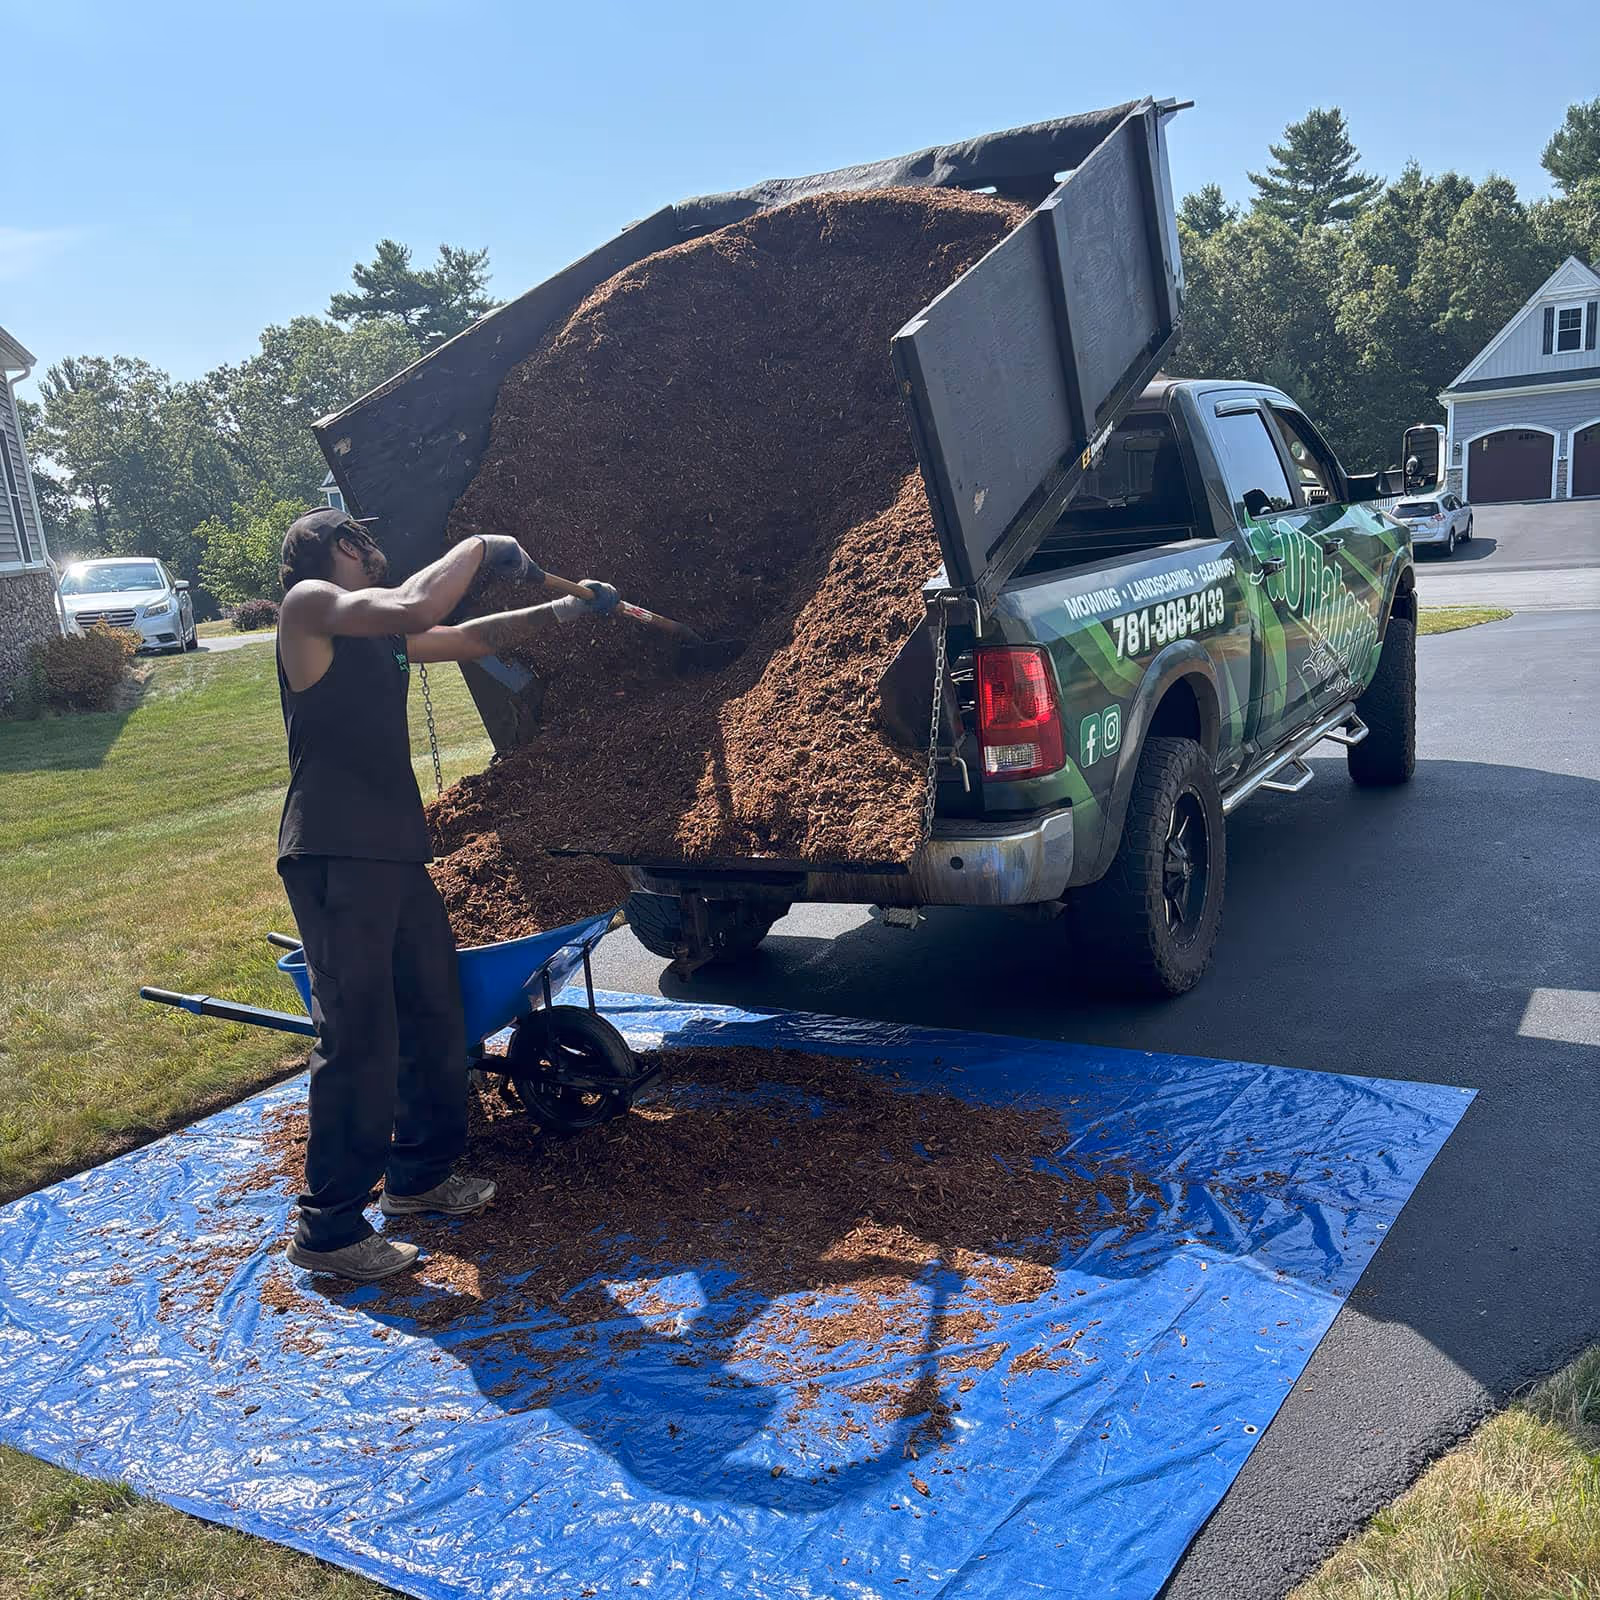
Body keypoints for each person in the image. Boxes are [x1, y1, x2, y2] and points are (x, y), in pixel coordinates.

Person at [274, 508, 618, 1281]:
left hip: (395, 853)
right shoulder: (310, 607)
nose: (375, 545)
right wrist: (480, 546)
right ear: (339, 549)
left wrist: (564, 606)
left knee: (435, 1015)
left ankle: (419, 1178)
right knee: (359, 1036)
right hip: (335, 851)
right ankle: (328, 1230)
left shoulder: (378, 632)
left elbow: (468, 637)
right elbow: (420, 606)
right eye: (362, 539)